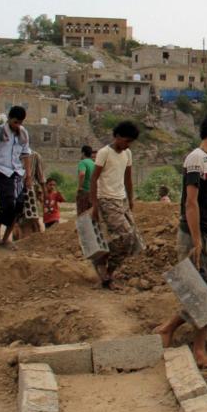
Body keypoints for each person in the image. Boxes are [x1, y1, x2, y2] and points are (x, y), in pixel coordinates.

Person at [155, 113, 207, 368]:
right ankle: (198, 348)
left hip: (205, 233)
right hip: (194, 234)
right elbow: (190, 203)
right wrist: (197, 241)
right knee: (204, 293)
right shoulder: (196, 159)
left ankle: (169, 329)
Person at [91, 121, 143, 289]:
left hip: (121, 200)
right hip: (106, 199)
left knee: (133, 241)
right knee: (126, 235)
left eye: (130, 142)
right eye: (126, 141)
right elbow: (94, 179)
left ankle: (108, 272)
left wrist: (130, 199)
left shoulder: (127, 154)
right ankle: (101, 260)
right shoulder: (104, 153)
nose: (127, 145)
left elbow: (128, 178)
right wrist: (95, 205)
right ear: (117, 136)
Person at [0, 106, 33, 248]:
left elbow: (26, 154)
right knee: (8, 203)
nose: (18, 125)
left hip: (17, 172)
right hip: (1, 170)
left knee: (19, 205)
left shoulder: (23, 133)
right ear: (10, 119)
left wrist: (28, 175)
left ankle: (5, 238)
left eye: (20, 123)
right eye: (15, 122)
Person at [76, 145, 95, 215]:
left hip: (84, 191)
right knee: (90, 214)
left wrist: (80, 187)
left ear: (83, 153)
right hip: (93, 192)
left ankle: (83, 226)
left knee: (82, 214)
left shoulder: (83, 162)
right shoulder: (94, 163)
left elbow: (82, 174)